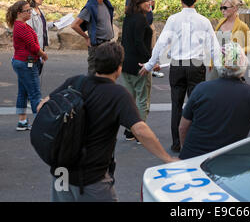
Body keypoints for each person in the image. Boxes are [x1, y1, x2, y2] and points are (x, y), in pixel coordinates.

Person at [37, 42, 178, 202]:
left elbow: (42, 105)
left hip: (60, 172)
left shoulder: (76, 82)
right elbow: (140, 130)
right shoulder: (118, 95)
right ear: (119, 68)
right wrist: (167, 158)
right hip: (91, 179)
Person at [178, 42, 250, 160]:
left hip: (193, 159)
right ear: (243, 64)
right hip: (226, 165)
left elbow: (183, 127)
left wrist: (184, 150)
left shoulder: (201, 89)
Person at [139, 0, 222, 153]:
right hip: (196, 65)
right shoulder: (204, 21)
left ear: (180, 0)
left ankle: (177, 143)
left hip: (177, 65)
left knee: (176, 104)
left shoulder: (173, 19)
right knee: (196, 104)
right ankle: (193, 140)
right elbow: (214, 48)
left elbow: (161, 43)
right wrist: (222, 70)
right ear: (196, 0)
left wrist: (149, 65)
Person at [121, 0, 160, 141]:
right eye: (146, 1)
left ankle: (130, 130)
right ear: (139, 4)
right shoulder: (141, 20)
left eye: (150, 0)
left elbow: (125, 41)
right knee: (143, 99)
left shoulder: (128, 18)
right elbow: (139, 43)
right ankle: (139, 132)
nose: (149, 3)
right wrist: (151, 61)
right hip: (139, 65)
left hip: (126, 64)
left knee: (130, 99)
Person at [6, 0, 48, 131]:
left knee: (23, 92)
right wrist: (43, 55)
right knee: (35, 93)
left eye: (30, 10)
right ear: (19, 13)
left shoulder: (21, 24)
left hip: (23, 62)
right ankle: (41, 124)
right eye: (27, 11)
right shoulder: (21, 26)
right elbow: (33, 46)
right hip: (25, 62)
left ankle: (22, 121)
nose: (30, 12)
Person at [71, 0, 114, 75]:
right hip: (97, 45)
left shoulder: (106, 4)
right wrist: (86, 37)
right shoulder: (90, 7)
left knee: (105, 73)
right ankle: (89, 89)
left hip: (107, 44)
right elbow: (74, 25)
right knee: (93, 73)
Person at [207, 0, 250, 80]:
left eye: (225, 8)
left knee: (228, 91)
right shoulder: (220, 22)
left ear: (235, 8)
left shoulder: (242, 26)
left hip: (231, 68)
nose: (222, 11)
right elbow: (214, 43)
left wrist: (235, 51)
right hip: (216, 66)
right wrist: (211, 62)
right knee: (213, 91)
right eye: (221, 8)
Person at [125, 0, 163, 78]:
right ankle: (149, 66)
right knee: (143, 45)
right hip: (135, 66)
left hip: (149, 23)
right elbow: (138, 43)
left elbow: (150, 8)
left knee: (152, 46)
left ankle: (151, 67)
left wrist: (152, 6)